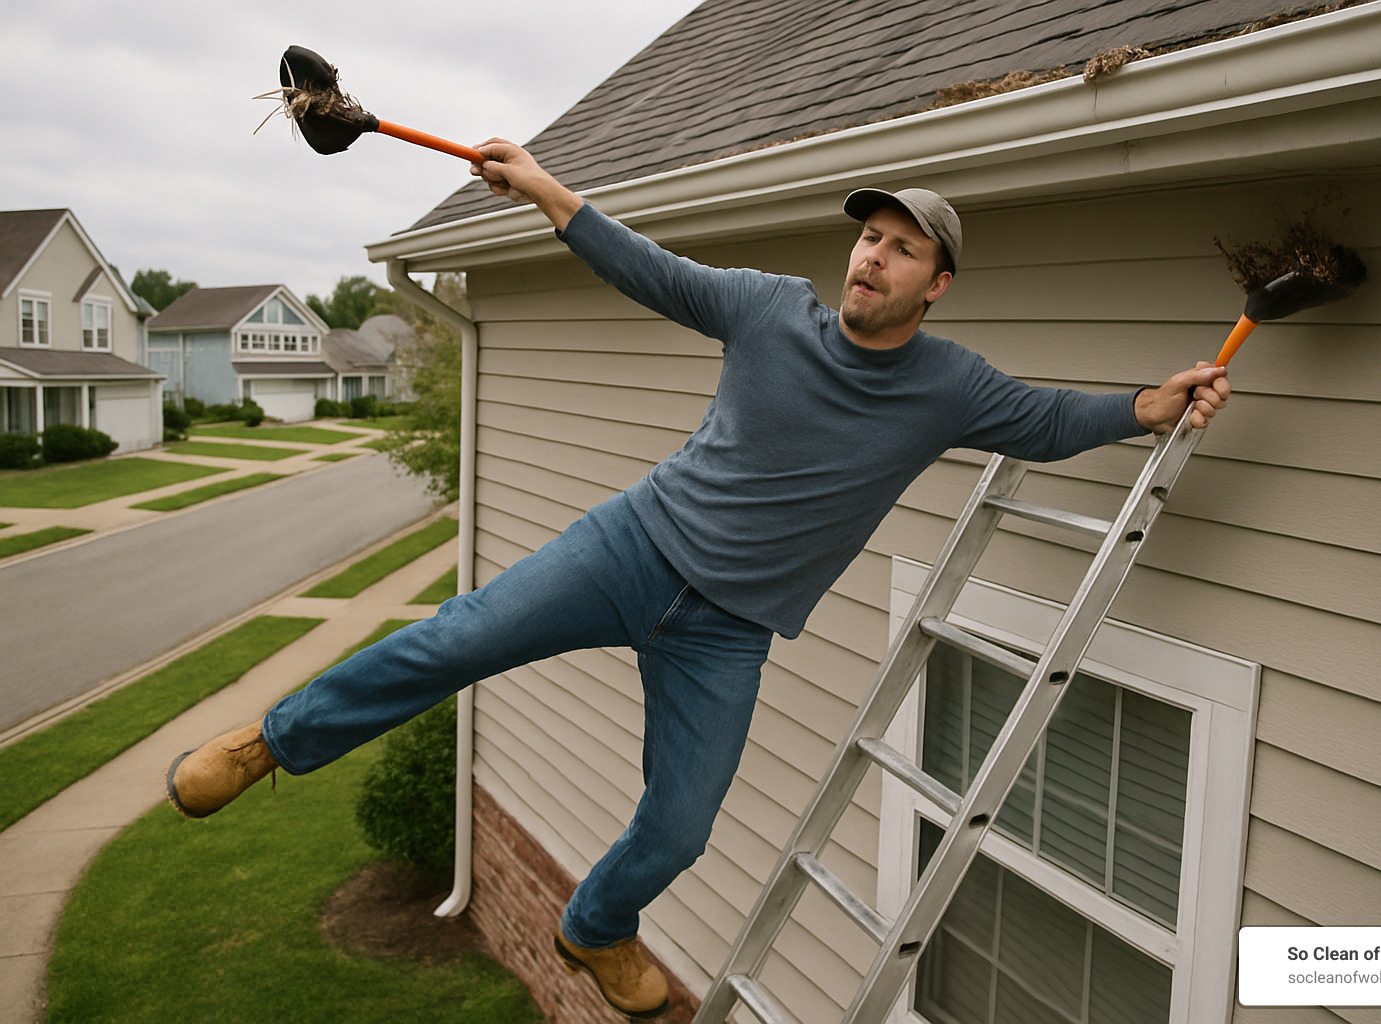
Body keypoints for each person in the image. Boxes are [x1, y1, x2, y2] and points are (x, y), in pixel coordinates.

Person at [166, 140, 1230, 1020]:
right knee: (454, 639)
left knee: (680, 826)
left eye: (902, 252)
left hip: (727, 630)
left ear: (935, 284)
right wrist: (543, 189)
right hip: (632, 547)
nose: (873, 260)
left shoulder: (950, 386)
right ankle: (274, 741)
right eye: (869, 238)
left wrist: (1153, 401)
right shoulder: (768, 308)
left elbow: (1050, 422)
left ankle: (593, 927)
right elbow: (650, 268)